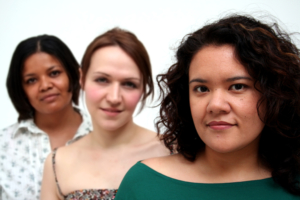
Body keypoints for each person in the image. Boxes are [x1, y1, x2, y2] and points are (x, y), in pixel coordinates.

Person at [115, 14, 300, 199]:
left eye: (237, 86)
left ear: (274, 94)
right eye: (202, 89)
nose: (215, 105)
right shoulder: (144, 184)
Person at [40, 28, 169, 200]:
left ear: (143, 88)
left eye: (129, 84)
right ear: (82, 78)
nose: (114, 97)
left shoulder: (172, 151)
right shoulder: (58, 164)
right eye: (102, 80)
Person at [0, 35, 92, 200]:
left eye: (54, 73)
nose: (45, 85)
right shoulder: (4, 146)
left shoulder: (105, 136)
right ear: (20, 89)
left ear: (73, 74)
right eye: (31, 80)